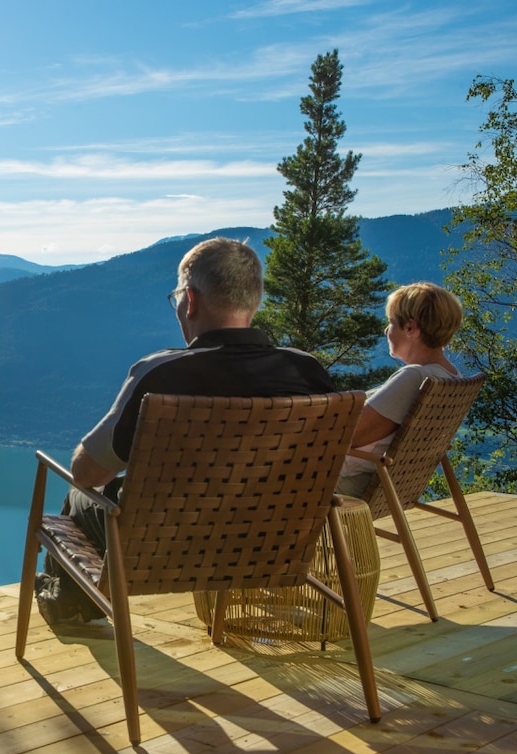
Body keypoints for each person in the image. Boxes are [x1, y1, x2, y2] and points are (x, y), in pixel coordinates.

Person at [36, 236, 337, 625]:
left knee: (78, 496)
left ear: (190, 300)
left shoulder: (163, 373)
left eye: (177, 297)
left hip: (166, 549)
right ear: (253, 301)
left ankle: (74, 608)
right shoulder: (307, 371)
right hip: (270, 545)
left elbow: (88, 472)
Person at [336, 282, 463, 498]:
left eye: (391, 322)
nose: (386, 330)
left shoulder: (415, 377)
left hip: (347, 482)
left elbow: (348, 436)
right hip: (392, 484)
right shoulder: (451, 377)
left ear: (410, 328)